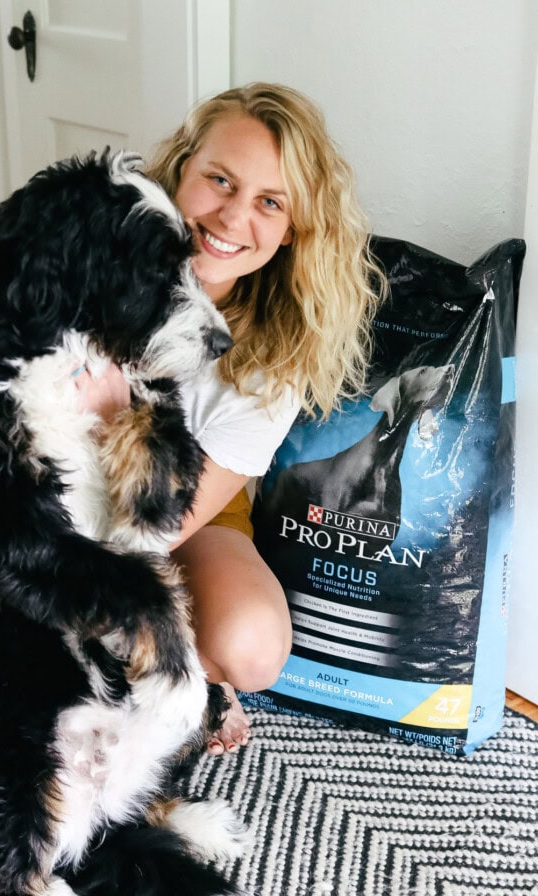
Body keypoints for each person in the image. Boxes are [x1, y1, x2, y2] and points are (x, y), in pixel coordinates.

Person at [76, 83, 386, 754]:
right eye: (219, 180)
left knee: (251, 645)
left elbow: (160, 528)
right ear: (181, 168)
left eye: (269, 203)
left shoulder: (276, 351)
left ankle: (195, 677)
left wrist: (108, 410)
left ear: (292, 229)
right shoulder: (90, 246)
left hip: (171, 516)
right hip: (35, 481)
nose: (232, 217)